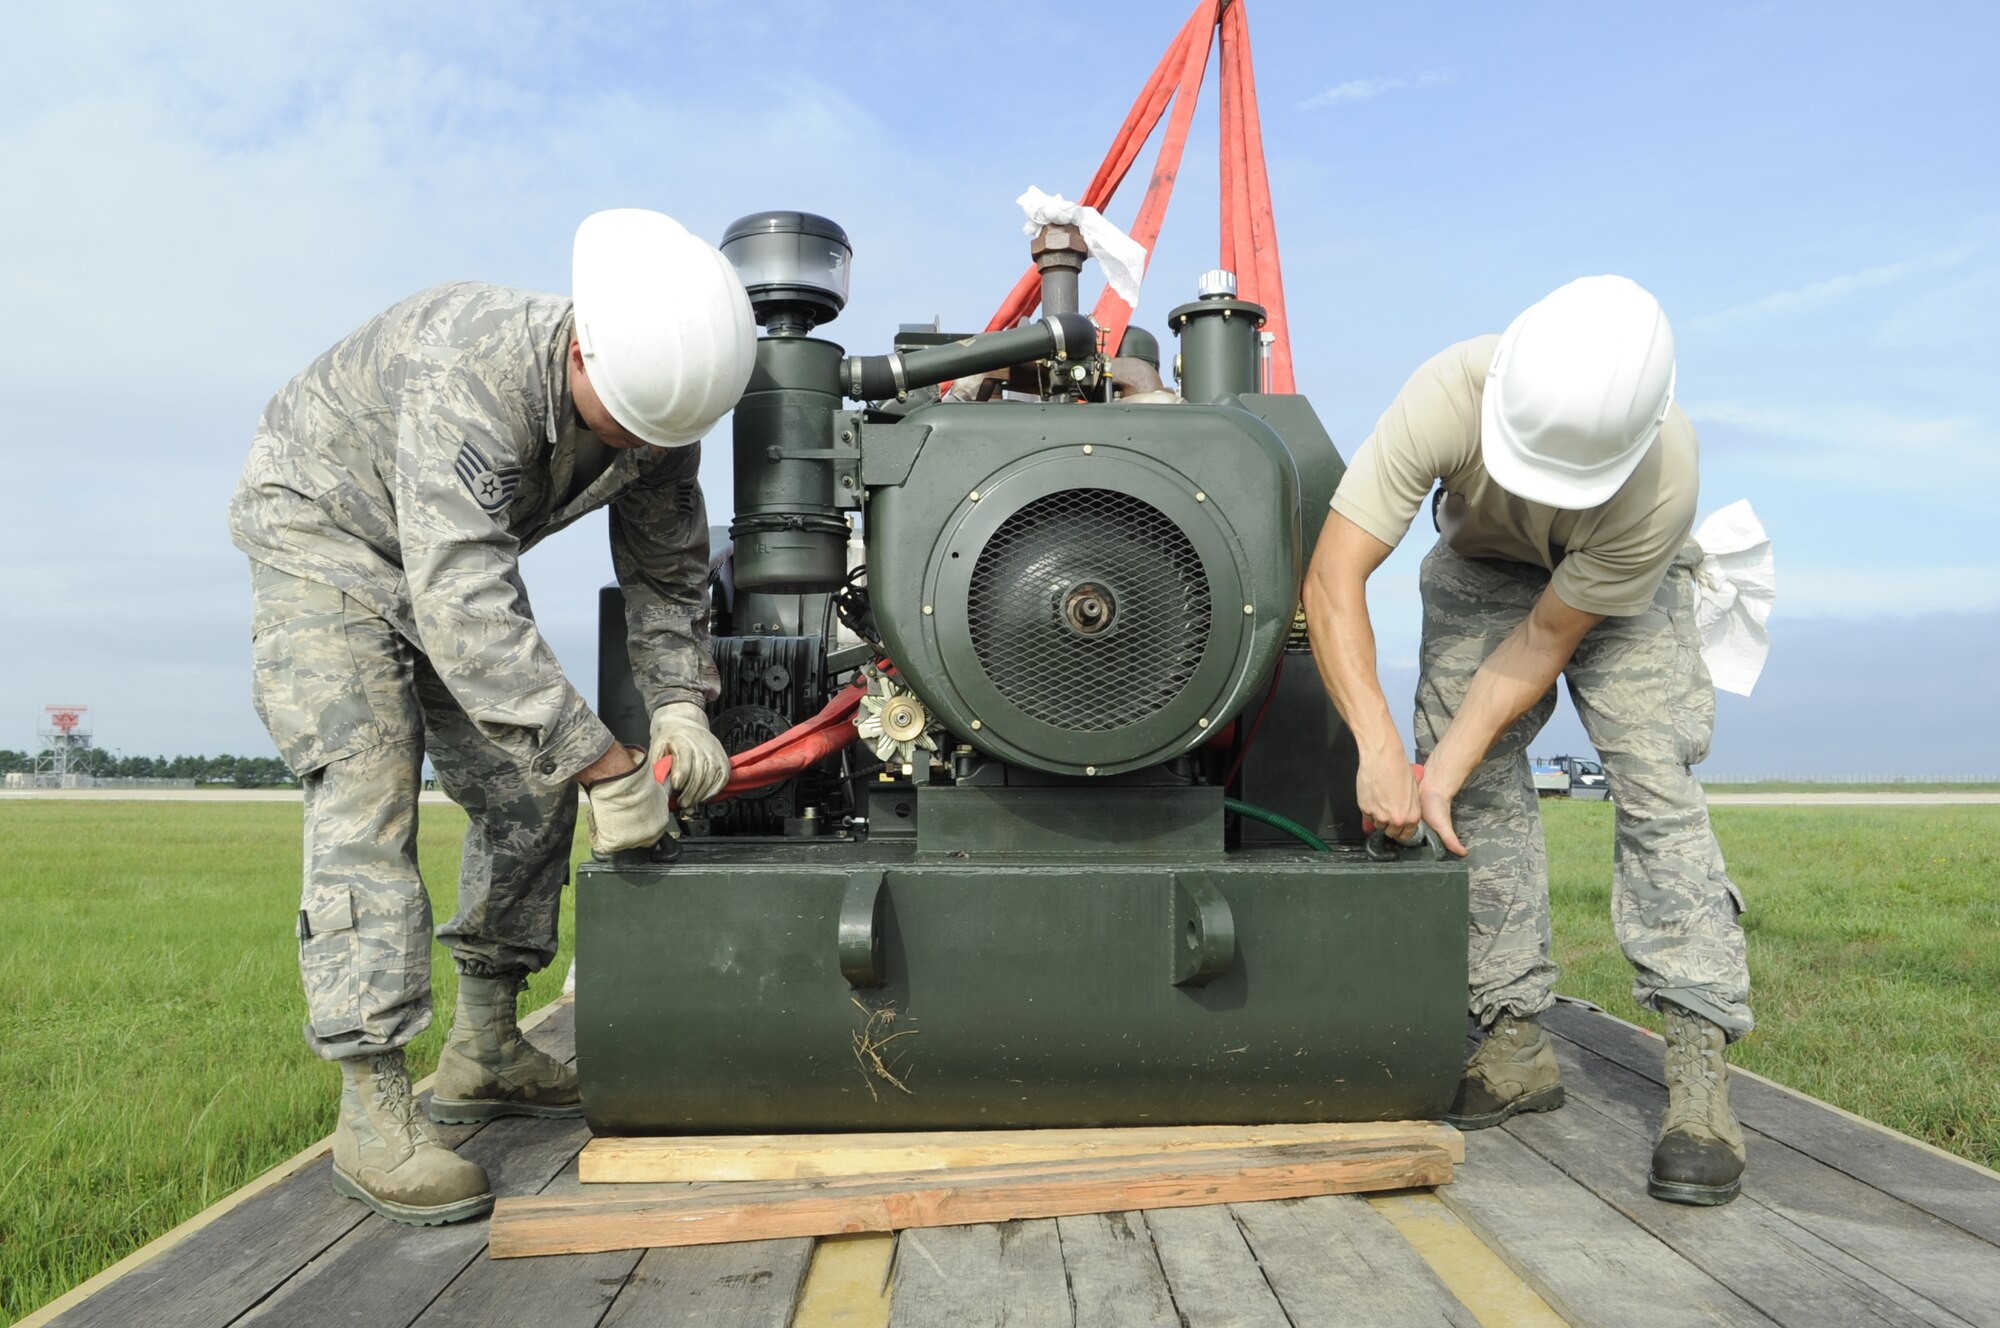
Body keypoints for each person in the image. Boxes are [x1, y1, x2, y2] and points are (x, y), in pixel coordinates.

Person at [228, 209, 753, 1224]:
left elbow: (668, 575)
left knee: (528, 784)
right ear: (581, 345)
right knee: (368, 792)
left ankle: (484, 1046)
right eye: (625, 421)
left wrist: (681, 708)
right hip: (322, 543)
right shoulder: (468, 366)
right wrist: (605, 762)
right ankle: (373, 1110)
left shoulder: (657, 407)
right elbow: (465, 603)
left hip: (432, 568)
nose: (640, 445)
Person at [1302, 276, 1752, 1206]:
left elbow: (1547, 638)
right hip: (1480, 565)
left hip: (1617, 585)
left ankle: (1700, 1073)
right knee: (1462, 794)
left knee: (1654, 784)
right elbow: (1333, 575)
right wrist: (1390, 751)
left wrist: (1447, 755)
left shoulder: (1663, 475)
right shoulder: (1449, 393)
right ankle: (1515, 1043)